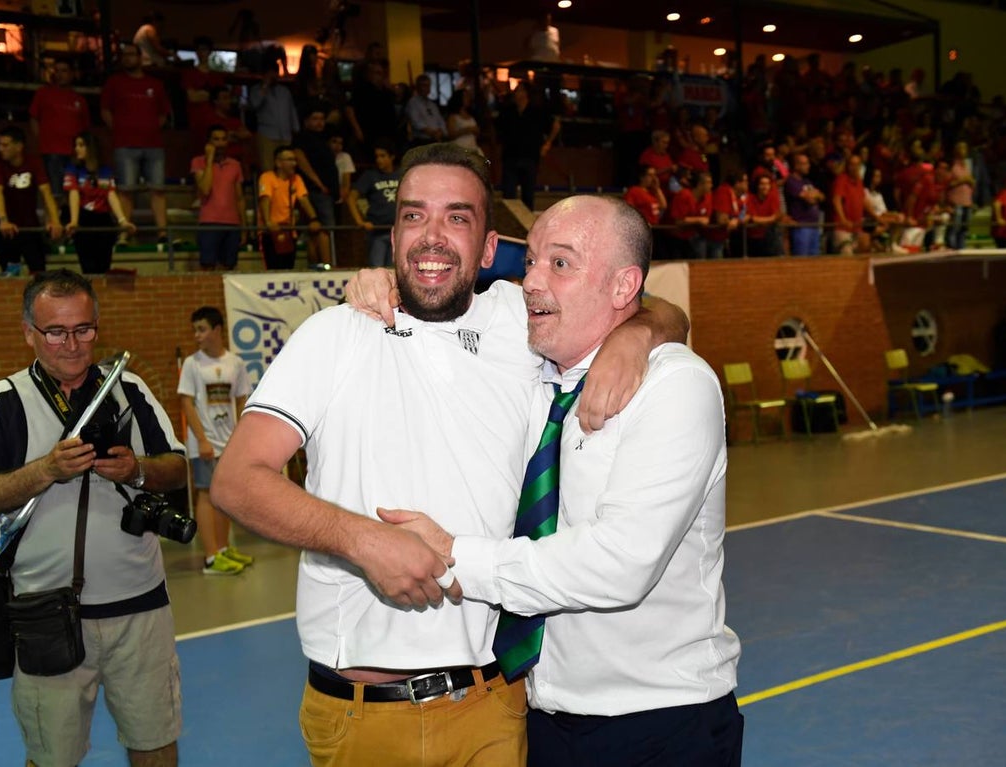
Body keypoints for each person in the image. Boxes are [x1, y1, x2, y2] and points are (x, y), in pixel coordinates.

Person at [210, 143, 680, 767]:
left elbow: (659, 307)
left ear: (488, 248)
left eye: (457, 217)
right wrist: (363, 541)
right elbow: (237, 480)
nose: (431, 236)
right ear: (393, 236)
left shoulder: (522, 321)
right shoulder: (335, 333)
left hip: (495, 703)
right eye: (414, 216)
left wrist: (636, 337)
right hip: (364, 713)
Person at [378, 194, 743, 767]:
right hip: (542, 716)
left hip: (659, 723)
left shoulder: (674, 387)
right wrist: (376, 282)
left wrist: (455, 556)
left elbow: (620, 564)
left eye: (561, 263)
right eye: (531, 261)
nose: (531, 281)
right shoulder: (532, 368)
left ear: (623, 287)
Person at [0, 269, 187, 767]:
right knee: (52, 756)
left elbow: (176, 467)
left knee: (155, 742)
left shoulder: (129, 388)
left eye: (83, 329)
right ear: (29, 332)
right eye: (56, 332)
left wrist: (137, 470)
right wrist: (45, 469)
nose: (72, 344)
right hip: (46, 612)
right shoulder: (2, 401)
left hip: (141, 606)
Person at [177, 306, 254, 575]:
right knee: (206, 494)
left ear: (217, 330)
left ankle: (223, 548)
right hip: (205, 444)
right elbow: (186, 403)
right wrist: (202, 440)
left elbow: (241, 400)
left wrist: (241, 438)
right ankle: (210, 557)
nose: (197, 335)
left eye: (202, 329)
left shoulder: (235, 363)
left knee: (224, 495)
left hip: (229, 443)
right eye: (194, 330)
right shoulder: (192, 364)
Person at [100, 42, 173, 246]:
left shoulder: (155, 84)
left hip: (153, 144)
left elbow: (163, 114)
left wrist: (150, 129)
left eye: (131, 54)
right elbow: (105, 110)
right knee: (126, 190)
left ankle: (162, 234)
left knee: (158, 189)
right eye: (124, 55)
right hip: (124, 144)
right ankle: (124, 233)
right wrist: (120, 129)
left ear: (140, 58)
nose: (127, 58)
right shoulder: (114, 82)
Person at [0, 125, 64, 276]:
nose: (0, 149)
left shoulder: (34, 162)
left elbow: (46, 191)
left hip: (30, 227)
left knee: (39, 273)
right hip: (6, 230)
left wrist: (55, 221)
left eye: (5, 145)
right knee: (9, 274)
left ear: (19, 146)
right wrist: (3, 220)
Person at [63, 131, 134, 275]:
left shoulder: (105, 171)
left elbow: (111, 194)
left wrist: (123, 221)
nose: (77, 149)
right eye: (76, 145)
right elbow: (74, 194)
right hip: (83, 219)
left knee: (104, 267)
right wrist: (74, 221)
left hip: (103, 220)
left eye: (81, 145)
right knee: (88, 268)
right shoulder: (73, 169)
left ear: (91, 148)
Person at [28, 57, 90, 201]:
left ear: (72, 74)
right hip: (51, 152)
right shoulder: (43, 93)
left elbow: (85, 127)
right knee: (54, 194)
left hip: (74, 154)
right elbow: (34, 118)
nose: (60, 74)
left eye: (64, 71)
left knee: (75, 193)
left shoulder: (79, 99)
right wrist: (42, 139)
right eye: (57, 71)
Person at [496, 80, 561, 211]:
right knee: (508, 193)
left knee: (528, 194)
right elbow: (498, 128)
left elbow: (555, 125)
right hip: (511, 155)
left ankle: (526, 219)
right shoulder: (508, 111)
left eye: (520, 90)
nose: (517, 94)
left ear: (526, 93)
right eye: (516, 91)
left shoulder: (536, 111)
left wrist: (547, 144)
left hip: (530, 156)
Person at [191, 125, 247, 271]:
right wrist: (209, 160)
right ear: (209, 142)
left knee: (229, 267)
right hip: (209, 222)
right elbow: (205, 189)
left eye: (223, 139)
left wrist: (244, 228)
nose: (220, 143)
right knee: (208, 266)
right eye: (216, 139)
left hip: (232, 223)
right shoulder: (198, 162)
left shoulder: (235, 165)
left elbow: (240, 198)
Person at [257, 145, 321, 271]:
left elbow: (304, 200)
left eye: (294, 160)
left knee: (288, 269)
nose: (294, 163)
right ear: (278, 163)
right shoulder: (267, 177)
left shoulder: (297, 179)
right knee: (272, 269)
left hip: (289, 230)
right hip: (270, 231)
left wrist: (314, 219)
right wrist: (268, 222)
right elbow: (265, 199)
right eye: (290, 160)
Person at [292, 104, 339, 268]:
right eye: (315, 119)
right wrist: (318, 183)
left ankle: (318, 266)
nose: (319, 122)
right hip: (316, 190)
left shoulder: (323, 137)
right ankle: (327, 266)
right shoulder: (302, 138)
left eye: (322, 119)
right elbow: (300, 159)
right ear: (306, 121)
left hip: (325, 191)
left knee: (318, 230)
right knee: (325, 229)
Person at [345, 137, 398, 267]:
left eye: (383, 156)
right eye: (377, 156)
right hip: (377, 232)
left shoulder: (402, 174)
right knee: (376, 270)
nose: (379, 159)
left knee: (395, 271)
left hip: (398, 232)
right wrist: (359, 221)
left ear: (392, 157)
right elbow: (351, 198)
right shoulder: (370, 176)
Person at [247, 57, 300, 179]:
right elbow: (254, 104)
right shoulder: (256, 90)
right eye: (270, 73)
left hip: (286, 135)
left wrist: (296, 127)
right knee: (268, 169)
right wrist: (265, 86)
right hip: (267, 135)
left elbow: (291, 109)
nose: (273, 76)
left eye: (275, 73)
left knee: (287, 167)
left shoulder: (284, 91)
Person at [785, 152, 825, 256]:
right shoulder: (791, 181)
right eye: (805, 163)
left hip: (814, 226)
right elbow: (809, 199)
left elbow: (822, 197)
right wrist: (814, 195)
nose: (808, 166)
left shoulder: (807, 181)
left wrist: (814, 195)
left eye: (808, 163)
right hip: (801, 227)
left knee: (815, 259)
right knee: (802, 258)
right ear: (796, 165)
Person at [405, 74, 447, 148]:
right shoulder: (413, 103)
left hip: (436, 140)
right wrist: (432, 133)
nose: (426, 88)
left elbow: (440, 121)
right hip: (422, 141)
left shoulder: (432, 105)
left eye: (428, 85)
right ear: (417, 87)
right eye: (423, 85)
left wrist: (440, 131)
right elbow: (416, 122)